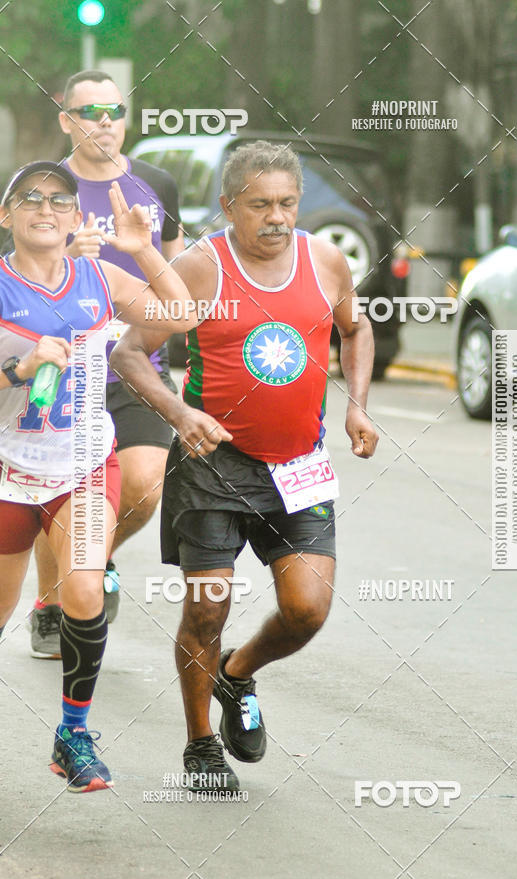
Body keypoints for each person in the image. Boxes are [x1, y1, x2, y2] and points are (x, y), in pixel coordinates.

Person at [111, 140, 379, 791]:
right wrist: (179, 414)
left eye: (287, 202)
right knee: (207, 608)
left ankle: (236, 673)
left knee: (307, 610)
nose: (277, 217)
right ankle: (201, 744)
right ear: (229, 206)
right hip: (213, 466)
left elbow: (356, 329)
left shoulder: (326, 260)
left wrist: (357, 406)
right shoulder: (201, 268)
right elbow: (130, 352)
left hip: (299, 467)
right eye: (260, 205)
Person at [0, 161, 193, 791]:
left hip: (82, 466)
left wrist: (143, 250)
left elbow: (182, 314)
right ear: (6, 215)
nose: (45, 208)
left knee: (84, 590)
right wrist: (17, 370)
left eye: (59, 200)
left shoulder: (99, 277)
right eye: (30, 198)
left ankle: (73, 735)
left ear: (76, 218)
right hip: (7, 473)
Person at [29, 69, 185, 657]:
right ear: (66, 121)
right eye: (90, 112)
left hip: (137, 361)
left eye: (114, 111)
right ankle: (50, 605)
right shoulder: (43, 186)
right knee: (57, 492)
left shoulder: (157, 184)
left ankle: (95, 560)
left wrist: (189, 352)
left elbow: (179, 274)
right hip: (63, 365)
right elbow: (16, 279)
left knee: (144, 484)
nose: (104, 122)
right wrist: (63, 254)